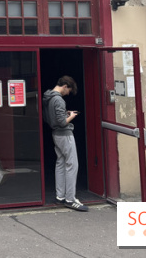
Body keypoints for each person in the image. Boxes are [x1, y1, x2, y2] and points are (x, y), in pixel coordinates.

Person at [42, 76, 88, 212]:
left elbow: (50, 118)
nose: (68, 93)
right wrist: (71, 116)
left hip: (55, 134)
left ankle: (60, 195)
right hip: (64, 134)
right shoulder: (58, 100)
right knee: (72, 164)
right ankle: (70, 199)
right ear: (65, 86)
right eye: (69, 90)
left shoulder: (48, 97)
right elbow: (62, 122)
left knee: (60, 163)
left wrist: (64, 114)